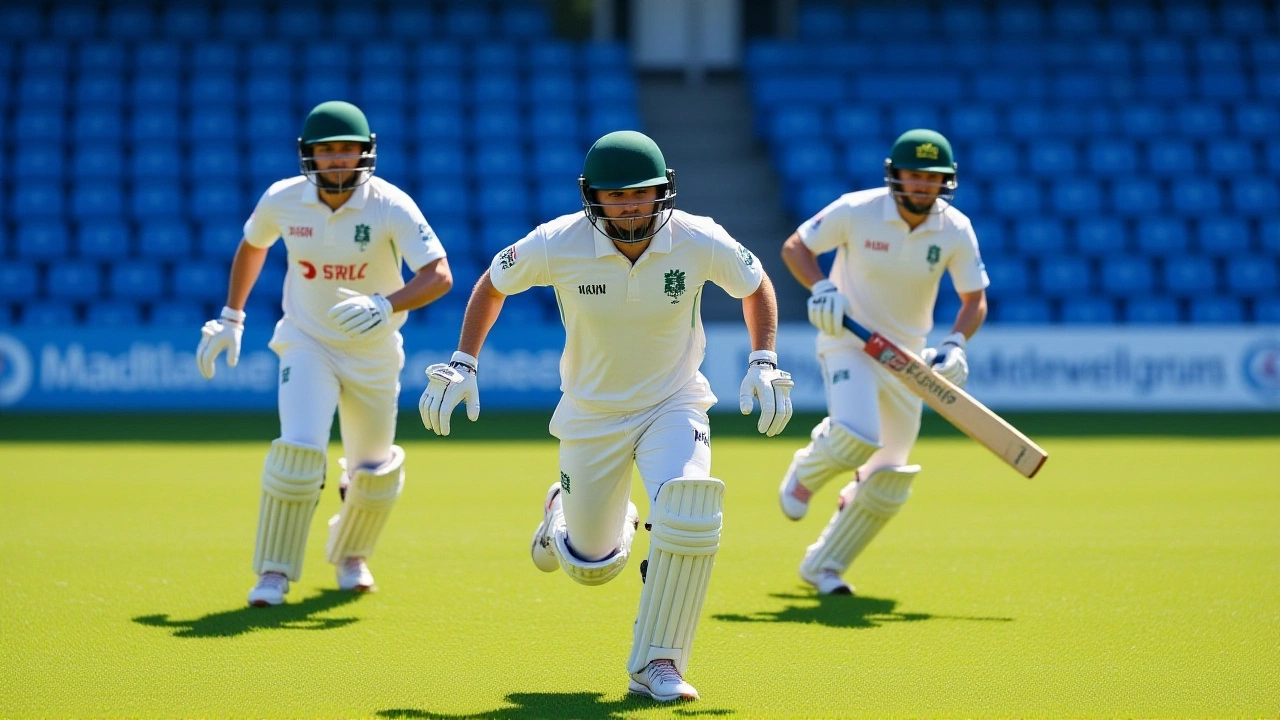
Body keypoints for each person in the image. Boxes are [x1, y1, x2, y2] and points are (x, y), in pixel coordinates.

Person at [417, 130, 794, 702]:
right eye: (615, 195)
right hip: (590, 414)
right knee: (592, 566)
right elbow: (493, 284)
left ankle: (658, 663)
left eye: (641, 193)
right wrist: (464, 362)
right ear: (592, 196)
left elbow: (756, 282)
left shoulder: (697, 236)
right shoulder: (556, 241)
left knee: (689, 512)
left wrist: (763, 359)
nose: (630, 205)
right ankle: (560, 513)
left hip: (674, 401)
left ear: (662, 190)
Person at [195, 100, 453, 607]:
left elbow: (439, 275)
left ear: (365, 153)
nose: (338, 160)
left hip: (375, 349)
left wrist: (386, 304)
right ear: (308, 155)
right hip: (307, 341)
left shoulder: (389, 204)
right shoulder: (283, 199)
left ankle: (351, 556)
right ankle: (273, 572)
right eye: (327, 150)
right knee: (298, 454)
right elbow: (253, 245)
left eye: (347, 150)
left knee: (374, 475)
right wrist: (231, 316)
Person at [777, 128, 989, 595]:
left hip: (906, 357)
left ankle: (824, 566)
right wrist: (823, 287)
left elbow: (974, 298)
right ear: (896, 176)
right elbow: (796, 248)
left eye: (931, 178)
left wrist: (955, 343)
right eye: (913, 175)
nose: (921, 186)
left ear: (945, 182)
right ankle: (805, 472)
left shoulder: (955, 228)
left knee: (890, 479)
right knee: (856, 434)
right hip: (849, 338)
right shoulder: (857, 209)